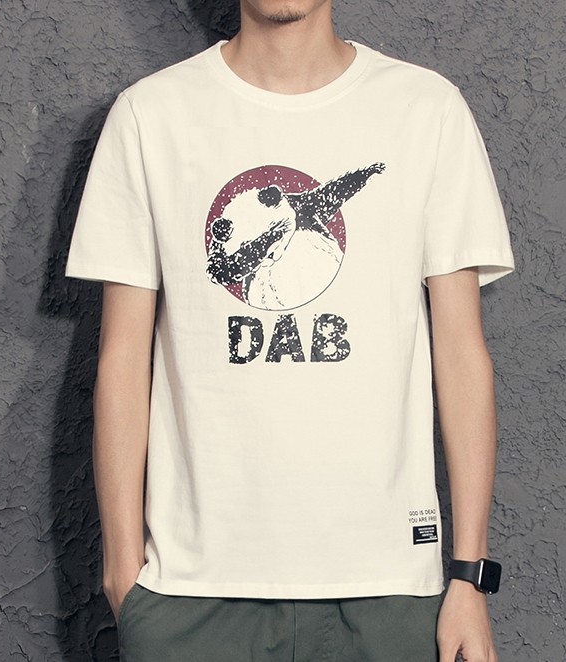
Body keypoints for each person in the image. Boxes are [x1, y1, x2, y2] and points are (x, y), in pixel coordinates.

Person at [66, 1, 514, 660]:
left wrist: (470, 577)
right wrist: (122, 570)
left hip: (390, 594)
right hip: (191, 595)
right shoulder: (151, 117)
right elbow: (123, 360)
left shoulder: (426, 112)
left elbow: (461, 353)